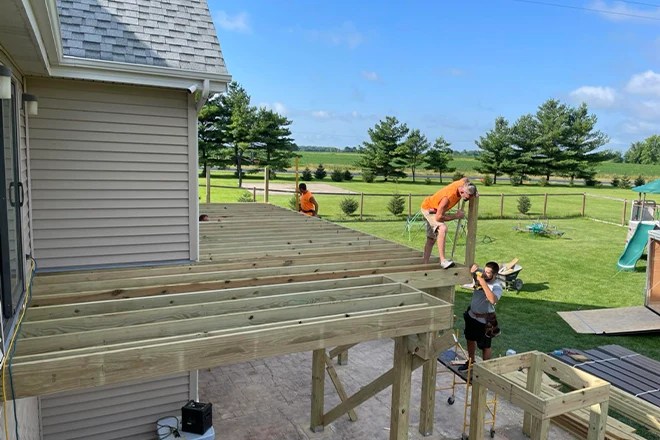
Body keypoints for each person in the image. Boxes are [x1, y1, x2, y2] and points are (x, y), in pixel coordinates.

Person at [421, 178, 477, 268]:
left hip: (436, 208)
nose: (468, 199)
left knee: (431, 239)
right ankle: (443, 261)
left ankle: (425, 264)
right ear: (462, 192)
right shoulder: (447, 198)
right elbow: (438, 217)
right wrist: (456, 216)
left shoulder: (463, 184)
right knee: (442, 228)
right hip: (429, 209)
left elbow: (466, 178)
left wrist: (475, 191)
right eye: (467, 198)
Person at [459, 261, 503, 371]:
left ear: (495, 274)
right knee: (470, 339)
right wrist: (471, 272)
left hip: (484, 321)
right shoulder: (480, 278)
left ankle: (485, 369)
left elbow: (493, 300)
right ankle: (471, 362)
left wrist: (483, 283)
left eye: (488, 272)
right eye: (484, 270)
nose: (484, 273)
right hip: (472, 316)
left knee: (485, 346)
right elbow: (465, 281)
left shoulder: (497, 286)